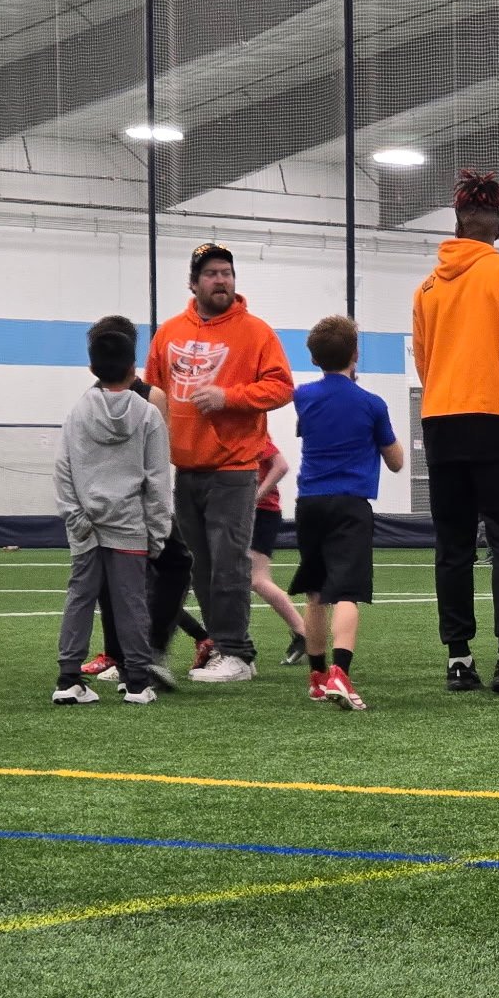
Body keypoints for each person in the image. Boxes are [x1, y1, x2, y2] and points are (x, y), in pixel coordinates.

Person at [413, 167, 499, 696]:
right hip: (498, 416)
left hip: (441, 417)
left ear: (457, 223)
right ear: (495, 223)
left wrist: (447, 389)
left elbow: (424, 360)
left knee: (452, 544)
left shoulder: (427, 287)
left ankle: (459, 660)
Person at [144, 242, 293, 683]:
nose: (221, 280)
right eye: (211, 273)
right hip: (185, 470)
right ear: (194, 282)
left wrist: (230, 397)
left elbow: (282, 388)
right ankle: (220, 647)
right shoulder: (168, 332)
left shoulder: (257, 332)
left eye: (226, 272)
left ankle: (238, 654)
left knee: (230, 563)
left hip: (234, 469)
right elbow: (154, 396)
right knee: (201, 567)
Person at [52, 319, 172, 706]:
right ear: (133, 368)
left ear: (91, 369)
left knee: (80, 599)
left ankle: (68, 679)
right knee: (132, 602)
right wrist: (158, 532)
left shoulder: (77, 412)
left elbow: (63, 469)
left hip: (85, 527)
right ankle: (136, 683)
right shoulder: (149, 415)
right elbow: (158, 480)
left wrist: (76, 517)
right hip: (131, 527)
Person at [288, 314, 402, 710]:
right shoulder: (372, 403)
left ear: (315, 357)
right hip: (351, 504)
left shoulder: (303, 396)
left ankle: (317, 675)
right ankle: (341, 672)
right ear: (355, 354)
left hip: (309, 504)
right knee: (349, 592)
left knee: (316, 590)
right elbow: (397, 461)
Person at [249, 444, 307, 666]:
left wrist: (255, 498)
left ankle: (303, 633)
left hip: (262, 513)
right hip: (258, 511)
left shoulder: (256, 435)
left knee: (257, 579)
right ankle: (302, 633)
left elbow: (281, 466)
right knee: (251, 579)